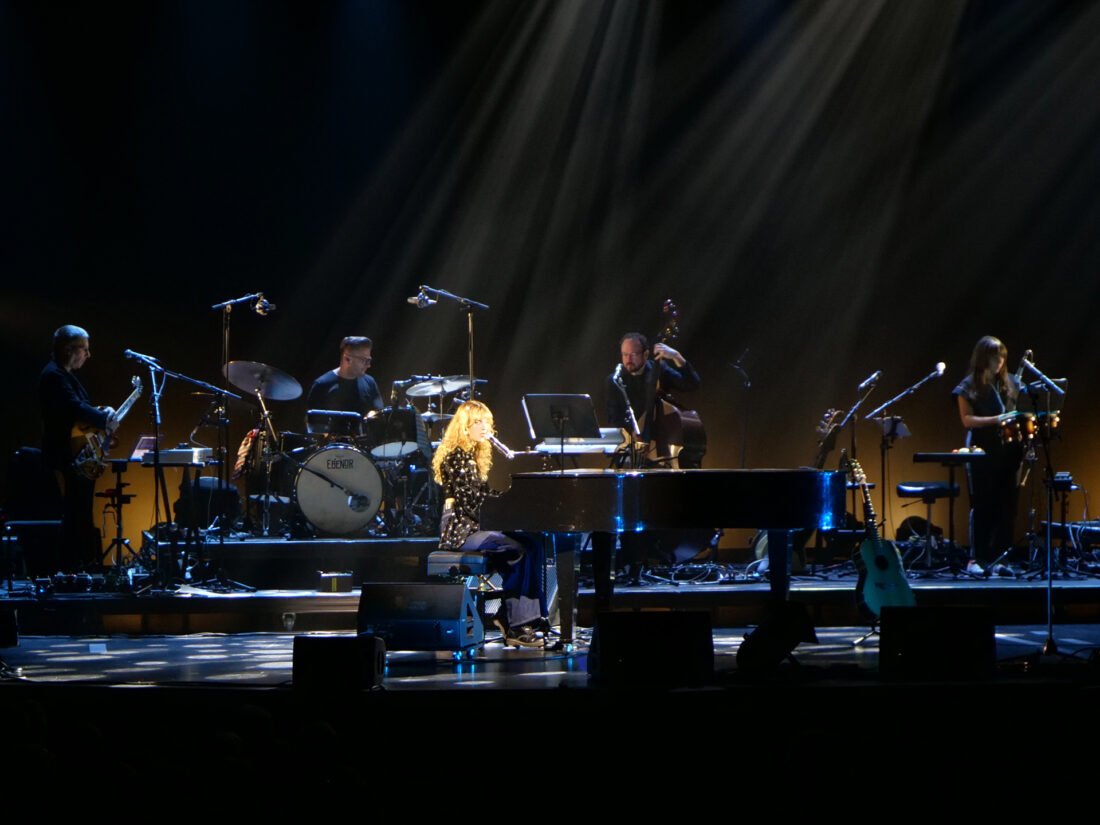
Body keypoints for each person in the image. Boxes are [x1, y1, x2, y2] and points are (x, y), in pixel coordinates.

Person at [431, 400, 547, 647]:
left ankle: (526, 617)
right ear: (465, 427)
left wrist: (512, 504)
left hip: (478, 524)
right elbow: (470, 504)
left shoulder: (472, 458)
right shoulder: (455, 458)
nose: (485, 428)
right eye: (478, 422)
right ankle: (515, 623)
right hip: (461, 529)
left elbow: (486, 495)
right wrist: (507, 516)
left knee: (534, 543)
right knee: (516, 549)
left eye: (487, 422)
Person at [38, 325, 116, 571]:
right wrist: (103, 419)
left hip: (77, 454)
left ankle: (78, 566)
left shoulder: (65, 375)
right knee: (74, 514)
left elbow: (80, 408)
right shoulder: (53, 376)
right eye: (84, 349)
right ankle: (68, 570)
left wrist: (101, 411)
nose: (87, 355)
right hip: (66, 455)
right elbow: (73, 408)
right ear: (68, 350)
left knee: (80, 513)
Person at [953, 335, 1023, 575]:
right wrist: (996, 420)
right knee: (983, 505)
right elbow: (966, 420)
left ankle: (1002, 558)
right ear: (984, 358)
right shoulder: (968, 386)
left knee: (1007, 506)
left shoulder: (1013, 383)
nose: (1000, 361)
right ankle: (977, 558)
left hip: (1010, 450)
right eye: (995, 356)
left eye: (1002, 356)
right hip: (982, 451)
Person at [606, 332, 700, 467]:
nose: (628, 359)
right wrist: (630, 444)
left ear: (645, 354)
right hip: (631, 450)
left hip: (662, 451)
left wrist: (676, 356)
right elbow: (614, 419)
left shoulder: (658, 370)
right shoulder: (615, 380)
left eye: (633, 354)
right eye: (625, 354)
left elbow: (692, 384)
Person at [305, 336, 383, 431]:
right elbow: (314, 425)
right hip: (333, 444)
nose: (368, 365)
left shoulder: (370, 382)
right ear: (347, 359)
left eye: (369, 360)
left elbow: (379, 415)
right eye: (364, 360)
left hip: (364, 444)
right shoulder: (322, 384)